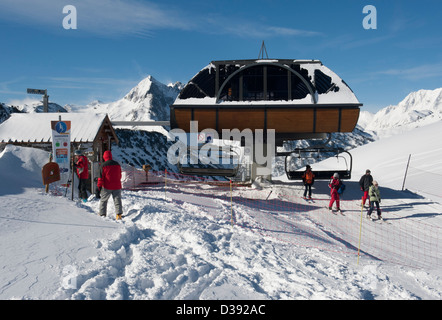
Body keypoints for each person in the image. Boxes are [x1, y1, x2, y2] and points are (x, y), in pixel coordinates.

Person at [97, 150, 123, 220]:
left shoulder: (103, 165)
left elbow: (100, 178)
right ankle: (119, 215)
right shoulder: (117, 164)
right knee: (117, 200)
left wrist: (99, 186)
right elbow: (120, 175)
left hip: (107, 186)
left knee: (104, 200)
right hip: (117, 186)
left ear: (104, 157)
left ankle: (102, 214)